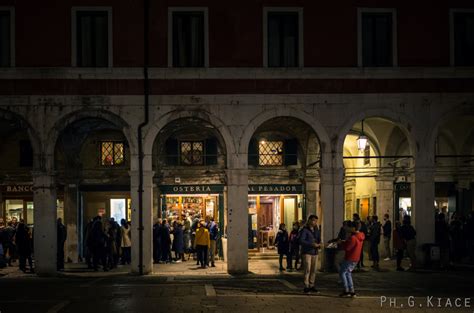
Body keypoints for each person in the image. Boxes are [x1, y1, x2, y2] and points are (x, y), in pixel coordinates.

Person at [338, 221, 365, 297]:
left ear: (353, 228)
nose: (348, 228)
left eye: (350, 227)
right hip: (356, 257)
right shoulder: (361, 235)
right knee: (348, 273)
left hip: (350, 257)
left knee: (342, 272)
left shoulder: (353, 237)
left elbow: (348, 247)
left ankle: (346, 290)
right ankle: (352, 291)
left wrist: (342, 243)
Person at [299, 215, 321, 293]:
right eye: (313, 220)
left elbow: (318, 239)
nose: (314, 222)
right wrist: (311, 244)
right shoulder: (304, 230)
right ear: (309, 220)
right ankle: (306, 285)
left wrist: (319, 244)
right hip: (307, 252)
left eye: (315, 221)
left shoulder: (316, 229)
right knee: (307, 269)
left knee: (313, 270)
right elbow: (301, 240)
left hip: (315, 252)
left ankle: (312, 285)